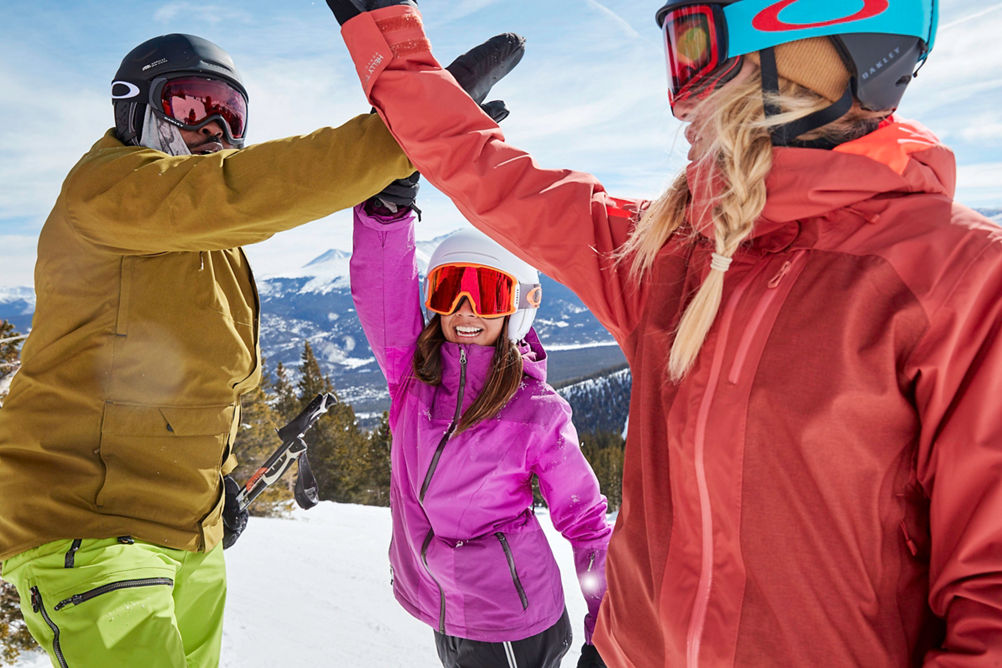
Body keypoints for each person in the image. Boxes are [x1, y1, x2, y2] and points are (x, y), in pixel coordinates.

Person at [326, 0, 1002, 665]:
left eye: (693, 46)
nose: (683, 98)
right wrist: (399, 60)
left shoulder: (959, 281)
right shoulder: (668, 254)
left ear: (818, 50)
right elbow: (500, 183)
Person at [0, 31, 517, 667]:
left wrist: (212, 491)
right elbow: (246, 187)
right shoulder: (108, 190)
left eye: (231, 115)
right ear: (135, 109)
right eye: (192, 107)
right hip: (92, 527)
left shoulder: (203, 241)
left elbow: (193, 386)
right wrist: (406, 133)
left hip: (185, 532)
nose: (215, 129)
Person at [349, 186, 612, 667]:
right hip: (446, 609)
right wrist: (387, 216)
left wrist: (607, 636)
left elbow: (588, 524)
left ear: (517, 307)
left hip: (511, 622)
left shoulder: (536, 412)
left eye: (487, 294)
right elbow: (382, 298)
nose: (465, 309)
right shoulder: (413, 380)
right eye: (450, 290)